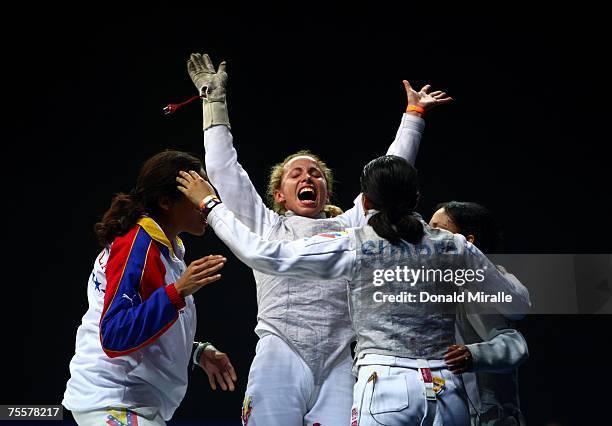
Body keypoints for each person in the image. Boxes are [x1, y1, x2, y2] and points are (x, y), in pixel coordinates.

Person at [187, 51, 453, 425]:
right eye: (295, 174)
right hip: (281, 351)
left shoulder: (352, 226)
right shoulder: (267, 225)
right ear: (278, 194)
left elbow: (390, 176)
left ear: (328, 192)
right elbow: (222, 168)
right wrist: (213, 102)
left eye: (316, 174)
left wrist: (414, 117)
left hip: (340, 359)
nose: (307, 178)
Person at [176, 155, 531, 425]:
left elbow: (261, 254)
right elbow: (516, 306)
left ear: (367, 205)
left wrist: (211, 205)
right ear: (417, 197)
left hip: (384, 388)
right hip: (448, 391)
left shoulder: (354, 243)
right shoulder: (453, 246)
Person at [62, 150, 237, 426]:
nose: (205, 204)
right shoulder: (137, 247)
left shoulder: (168, 250)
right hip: (114, 399)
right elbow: (115, 333)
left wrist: (195, 352)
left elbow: (145, 323)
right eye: (195, 196)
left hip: (137, 404)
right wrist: (177, 291)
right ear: (166, 202)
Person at [431, 202, 529, 425]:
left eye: (436, 228)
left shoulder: (479, 286)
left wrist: (473, 355)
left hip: (487, 416)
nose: (428, 235)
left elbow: (515, 341)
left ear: (467, 241)